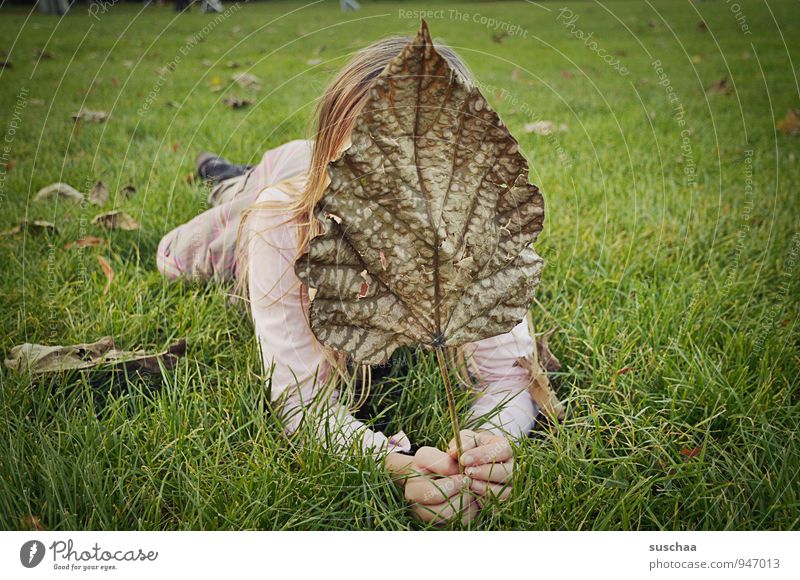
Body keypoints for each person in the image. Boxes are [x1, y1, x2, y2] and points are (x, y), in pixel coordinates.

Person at [157, 36, 546, 525]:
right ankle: (228, 180)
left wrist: (492, 441)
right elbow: (303, 400)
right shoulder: (281, 222)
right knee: (180, 253)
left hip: (307, 161)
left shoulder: (479, 226)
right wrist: (394, 464)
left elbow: (509, 376)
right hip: (282, 182)